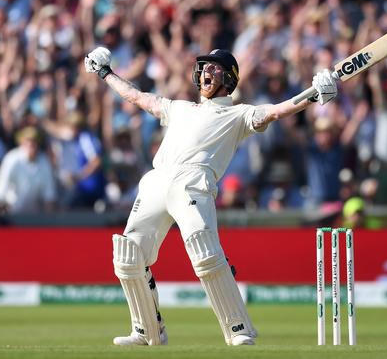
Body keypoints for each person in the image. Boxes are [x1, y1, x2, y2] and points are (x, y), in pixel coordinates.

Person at [84, 47, 337, 345]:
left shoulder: (238, 114)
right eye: (205, 66)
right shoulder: (178, 108)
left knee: (205, 255)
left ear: (229, 79)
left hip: (194, 182)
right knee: (128, 257)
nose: (207, 72)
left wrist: (314, 94)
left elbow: (277, 110)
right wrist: (105, 73)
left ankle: (238, 330)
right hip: (157, 179)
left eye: (215, 69)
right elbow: (138, 96)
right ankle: (147, 331)